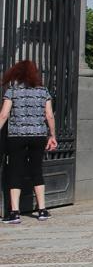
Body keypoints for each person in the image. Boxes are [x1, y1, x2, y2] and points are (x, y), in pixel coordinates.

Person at [0, 61, 57, 223]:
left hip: (16, 137)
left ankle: (15, 213)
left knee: (15, 171)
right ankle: (42, 210)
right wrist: (52, 135)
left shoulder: (12, 91)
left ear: (16, 73)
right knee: (36, 171)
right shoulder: (43, 91)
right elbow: (49, 115)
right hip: (38, 136)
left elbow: (4, 115)